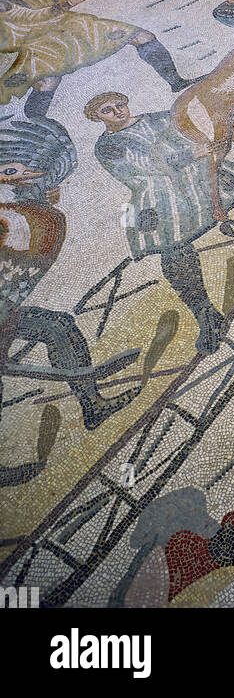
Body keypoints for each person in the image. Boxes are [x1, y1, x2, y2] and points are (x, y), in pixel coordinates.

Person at [86, 92, 234, 354]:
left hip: (198, 173)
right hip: (158, 192)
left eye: (120, 105)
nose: (118, 111)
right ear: (96, 117)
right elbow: (144, 167)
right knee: (173, 249)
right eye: (107, 110)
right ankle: (207, 316)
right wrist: (191, 153)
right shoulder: (108, 146)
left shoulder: (159, 118)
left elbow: (194, 128)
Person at [0, 116, 141, 486]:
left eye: (15, 170)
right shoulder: (28, 217)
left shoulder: (37, 217)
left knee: (57, 326)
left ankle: (92, 405)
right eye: (8, 169)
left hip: (7, 312)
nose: (8, 178)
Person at [0, 0, 194, 118]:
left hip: (76, 25)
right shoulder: (4, 1)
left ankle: (175, 81)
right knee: (48, 81)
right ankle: (35, 120)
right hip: (42, 38)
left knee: (143, 36)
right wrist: (69, 3)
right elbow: (31, 17)